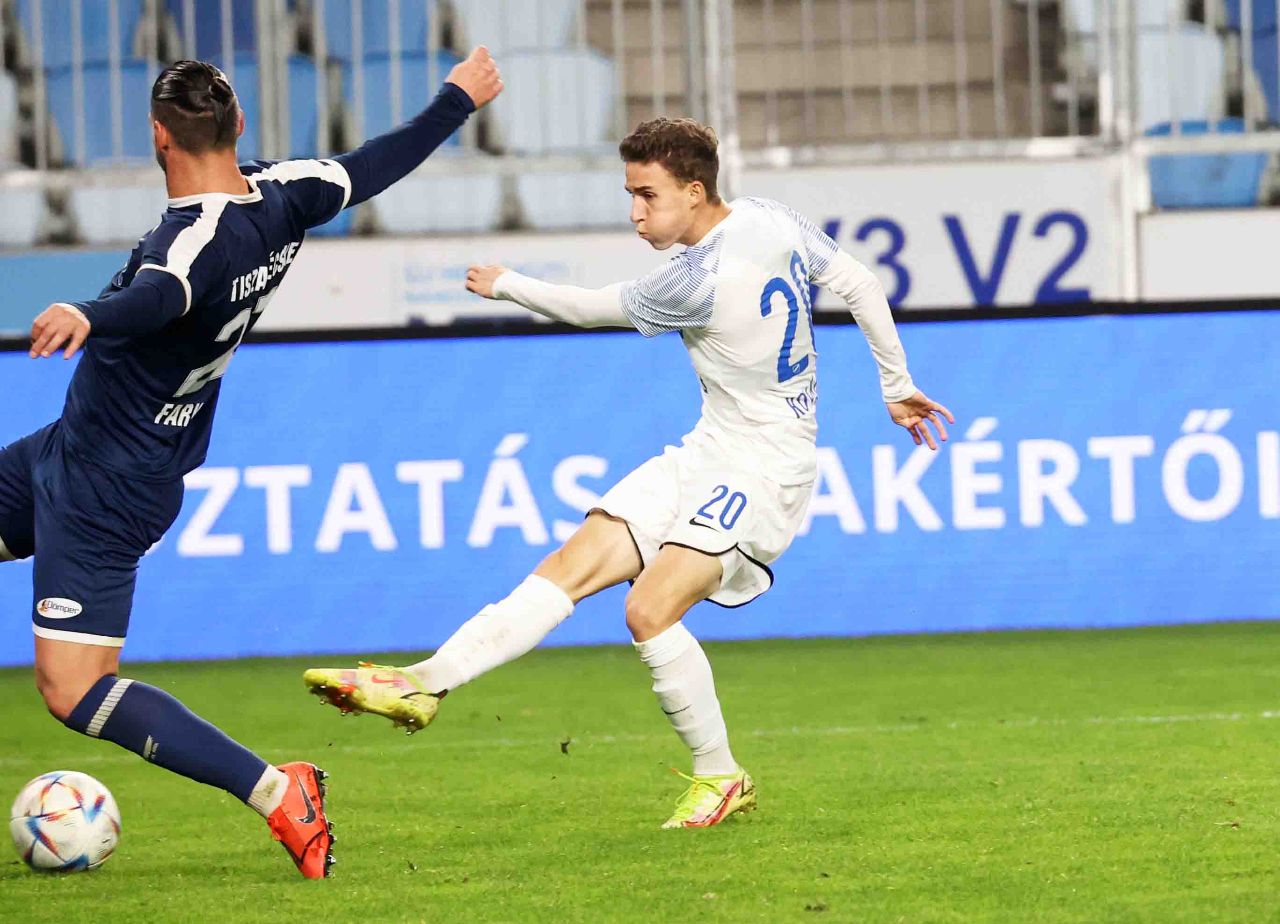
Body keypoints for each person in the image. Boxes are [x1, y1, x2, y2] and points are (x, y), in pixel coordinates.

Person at [304, 117, 952, 829]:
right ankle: (424, 682)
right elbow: (859, 282)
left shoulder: (693, 280)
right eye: (630, 195)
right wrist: (896, 385)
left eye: (648, 195)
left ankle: (720, 775)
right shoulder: (771, 217)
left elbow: (589, 309)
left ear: (694, 191)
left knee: (648, 609)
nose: (635, 213)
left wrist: (507, 284)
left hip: (765, 468)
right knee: (569, 566)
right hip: (708, 451)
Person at [2, 50, 502, 877]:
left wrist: (88, 313)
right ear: (238, 124)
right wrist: (456, 98)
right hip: (74, 446)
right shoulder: (285, 192)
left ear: (158, 137)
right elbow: (372, 166)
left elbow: (161, 292)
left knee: (73, 689)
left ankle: (276, 791)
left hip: (109, 484)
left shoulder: (194, 238)